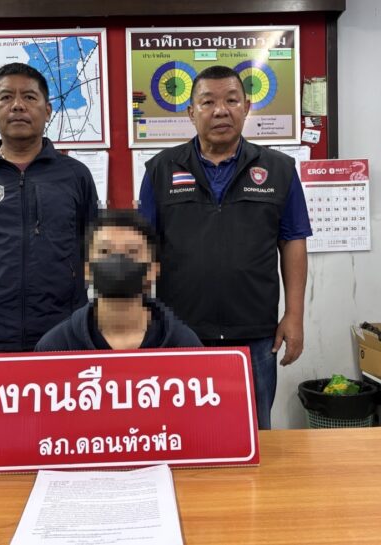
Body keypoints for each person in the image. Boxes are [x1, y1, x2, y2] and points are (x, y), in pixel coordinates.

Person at [138, 65, 311, 429]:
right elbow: (142, 248)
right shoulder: (160, 170)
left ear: (246, 107)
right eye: (208, 102)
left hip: (255, 334)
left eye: (231, 100)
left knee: (254, 432)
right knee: (183, 432)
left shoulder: (279, 169)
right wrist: (141, 318)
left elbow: (293, 240)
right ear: (191, 112)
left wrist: (294, 315)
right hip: (181, 331)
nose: (220, 111)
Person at [0, 62, 98, 360]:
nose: (17, 105)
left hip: (63, 331)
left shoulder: (75, 174)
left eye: (29, 97)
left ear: (48, 110)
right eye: (6, 97)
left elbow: (90, 242)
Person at [35, 209, 202, 351]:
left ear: (153, 270)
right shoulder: (55, 347)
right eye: (105, 251)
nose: (118, 260)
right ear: (86, 269)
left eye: (132, 251)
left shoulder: (184, 345)